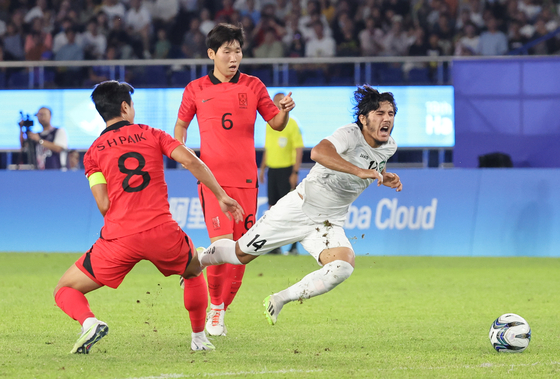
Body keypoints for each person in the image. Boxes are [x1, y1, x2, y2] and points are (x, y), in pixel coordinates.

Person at [53, 80, 244, 354]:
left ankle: (90, 323)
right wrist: (221, 195)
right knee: (192, 271)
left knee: (65, 289)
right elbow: (190, 160)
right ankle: (199, 338)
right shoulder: (152, 134)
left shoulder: (94, 153)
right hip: (161, 231)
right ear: (124, 106)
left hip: (119, 238)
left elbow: (104, 205)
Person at [194, 85, 402, 325]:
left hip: (328, 223)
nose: (387, 119)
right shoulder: (349, 134)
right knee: (240, 254)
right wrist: (360, 171)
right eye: (380, 113)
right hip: (298, 209)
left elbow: (375, 163)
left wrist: (384, 176)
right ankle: (201, 259)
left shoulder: (390, 146)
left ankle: (279, 298)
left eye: (391, 114)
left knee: (343, 267)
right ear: (363, 119)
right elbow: (318, 152)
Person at [174, 23, 295, 337]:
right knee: (222, 244)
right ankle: (215, 311)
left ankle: (219, 309)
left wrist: (284, 112)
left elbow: (277, 124)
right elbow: (180, 127)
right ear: (212, 54)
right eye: (227, 51)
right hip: (213, 181)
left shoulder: (254, 86)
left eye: (237, 50)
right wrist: (183, 153)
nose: (233, 57)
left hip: (246, 181)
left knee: (244, 253)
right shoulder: (195, 89)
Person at [258, 92, 303, 255]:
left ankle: (293, 247)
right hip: (273, 170)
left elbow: (299, 149)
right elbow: (268, 148)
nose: (278, 104)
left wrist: (295, 172)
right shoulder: (269, 124)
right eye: (276, 102)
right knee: (272, 209)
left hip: (287, 170)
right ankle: (274, 246)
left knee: (290, 210)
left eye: (281, 101)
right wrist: (263, 169)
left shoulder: (292, 124)